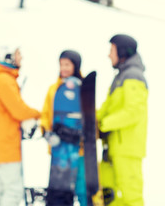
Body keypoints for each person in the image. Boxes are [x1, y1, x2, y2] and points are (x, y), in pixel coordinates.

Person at [0, 45, 41, 206]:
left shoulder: (2, 79)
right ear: (8, 56)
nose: (21, 57)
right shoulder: (4, 80)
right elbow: (19, 110)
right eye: (18, 54)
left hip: (1, 143)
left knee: (2, 189)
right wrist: (42, 114)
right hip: (6, 144)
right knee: (13, 190)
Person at [97, 34, 148, 206]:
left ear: (122, 52)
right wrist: (92, 119)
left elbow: (133, 112)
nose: (109, 55)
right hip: (114, 147)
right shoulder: (120, 77)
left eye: (112, 50)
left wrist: (104, 125)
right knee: (111, 198)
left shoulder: (133, 76)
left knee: (131, 197)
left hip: (127, 149)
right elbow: (108, 108)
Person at [40, 50, 87, 206]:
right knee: (60, 191)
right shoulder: (54, 89)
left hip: (79, 151)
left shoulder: (83, 88)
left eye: (67, 64)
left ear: (76, 66)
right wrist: (47, 133)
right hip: (59, 150)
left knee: (81, 188)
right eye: (61, 64)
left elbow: (89, 116)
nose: (64, 68)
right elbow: (46, 115)